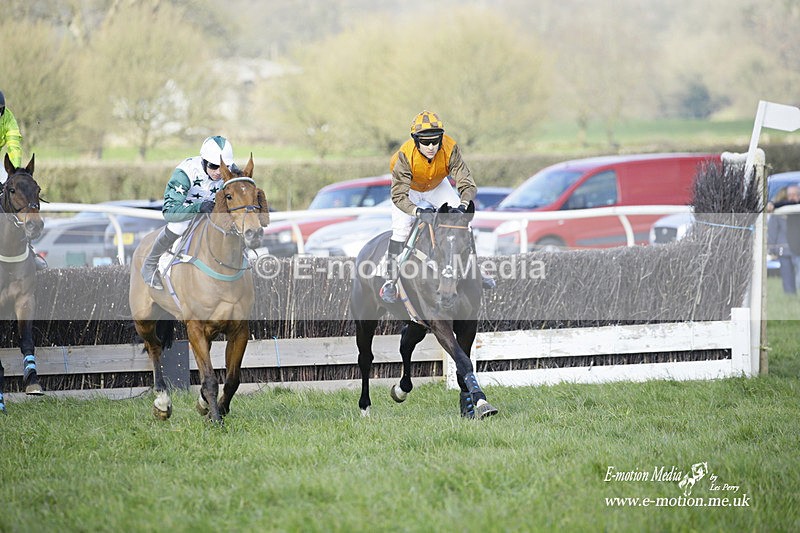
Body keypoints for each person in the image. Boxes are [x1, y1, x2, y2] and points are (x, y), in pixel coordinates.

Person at [379, 110, 493, 304]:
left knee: (464, 222)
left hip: (437, 185)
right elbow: (398, 196)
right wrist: (417, 211)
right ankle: (390, 280)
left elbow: (467, 182)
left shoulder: (450, 148)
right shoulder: (404, 156)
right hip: (409, 190)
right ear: (416, 140)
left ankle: (475, 270)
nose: (431, 146)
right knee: (401, 230)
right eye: (425, 142)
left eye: (435, 140)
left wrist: (463, 205)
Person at [141, 135, 235, 289]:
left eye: (223, 167)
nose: (219, 172)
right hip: (185, 209)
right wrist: (197, 208)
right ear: (203, 161)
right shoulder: (185, 173)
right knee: (178, 226)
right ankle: (150, 264)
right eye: (213, 166)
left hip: (213, 210)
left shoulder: (231, 169)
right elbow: (169, 212)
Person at [0, 90, 47, 270]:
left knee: (13, 200)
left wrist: (14, 175)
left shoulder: (8, 118)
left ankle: (28, 251)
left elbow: (14, 144)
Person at [767, 187, 796, 295]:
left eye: (795, 194)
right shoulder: (780, 210)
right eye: (790, 194)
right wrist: (772, 248)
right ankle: (790, 297)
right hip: (784, 249)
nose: (792, 197)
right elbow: (773, 231)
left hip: (797, 249)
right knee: (787, 275)